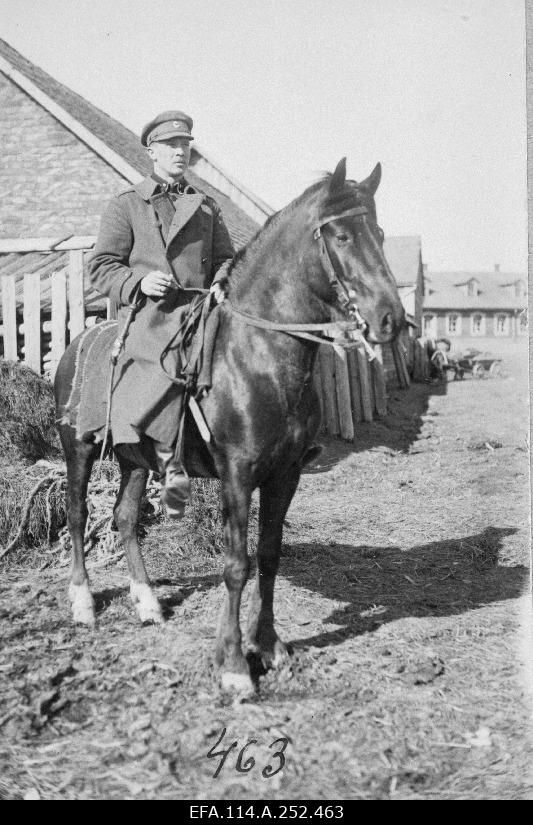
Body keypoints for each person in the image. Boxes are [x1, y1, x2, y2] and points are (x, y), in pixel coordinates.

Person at [89, 110, 234, 517]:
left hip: (200, 310)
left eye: (185, 145)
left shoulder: (206, 207)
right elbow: (101, 265)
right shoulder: (127, 204)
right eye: (171, 146)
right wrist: (139, 282)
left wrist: (222, 281)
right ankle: (170, 466)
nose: (180, 152)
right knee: (162, 367)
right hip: (151, 314)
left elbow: (226, 258)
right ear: (152, 152)